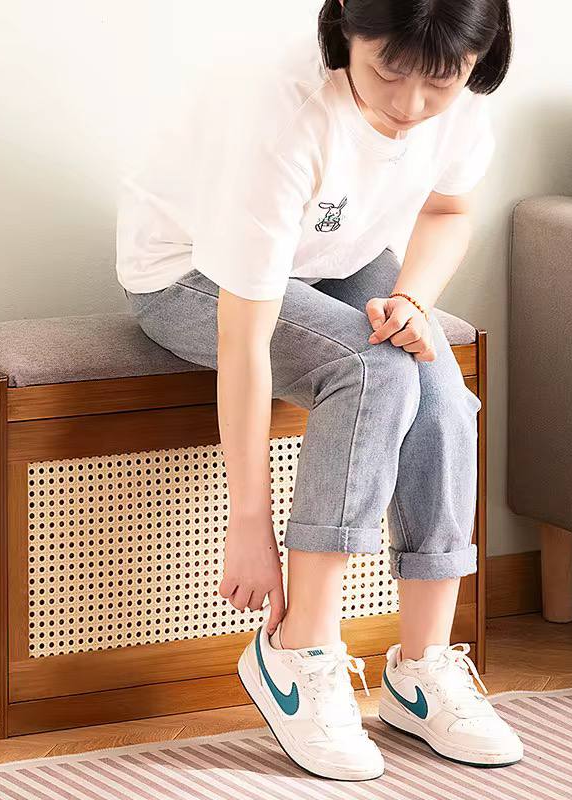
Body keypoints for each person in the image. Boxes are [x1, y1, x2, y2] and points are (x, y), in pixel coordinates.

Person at [115, 0, 523, 782]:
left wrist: (413, 299)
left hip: (337, 257)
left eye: (438, 82)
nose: (408, 107)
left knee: (436, 374)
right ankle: (296, 651)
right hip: (190, 271)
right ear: (345, 27)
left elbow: (448, 207)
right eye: (387, 71)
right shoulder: (284, 116)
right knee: (372, 370)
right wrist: (249, 526)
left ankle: (422, 668)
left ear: (479, 56)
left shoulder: (460, 99)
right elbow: (243, 338)